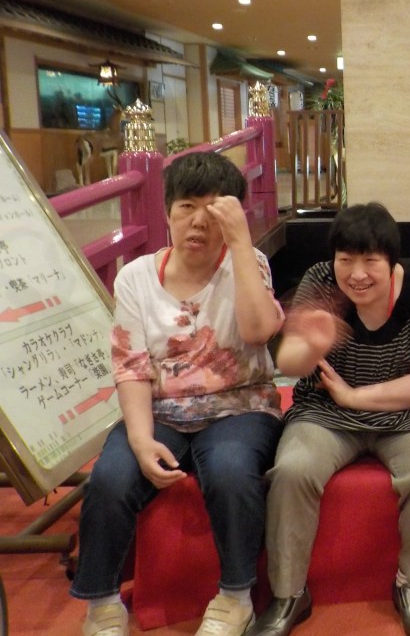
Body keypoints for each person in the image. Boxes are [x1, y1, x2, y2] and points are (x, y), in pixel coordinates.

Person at [71, 151, 285, 636]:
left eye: (215, 209)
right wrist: (141, 439)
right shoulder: (135, 277)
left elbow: (257, 332)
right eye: (187, 207)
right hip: (161, 408)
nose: (199, 221)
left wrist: (242, 242)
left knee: (230, 471)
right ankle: (101, 603)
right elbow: (131, 366)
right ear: (168, 212)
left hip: (240, 405)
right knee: (111, 477)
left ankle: (235, 597)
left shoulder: (248, 262)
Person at [250, 203, 410, 636]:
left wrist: (354, 396)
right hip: (326, 412)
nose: (356, 274)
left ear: (391, 262)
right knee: (292, 469)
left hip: (409, 414)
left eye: (370, 261)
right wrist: (310, 345)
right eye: (346, 260)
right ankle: (289, 593)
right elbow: (289, 362)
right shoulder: (321, 281)